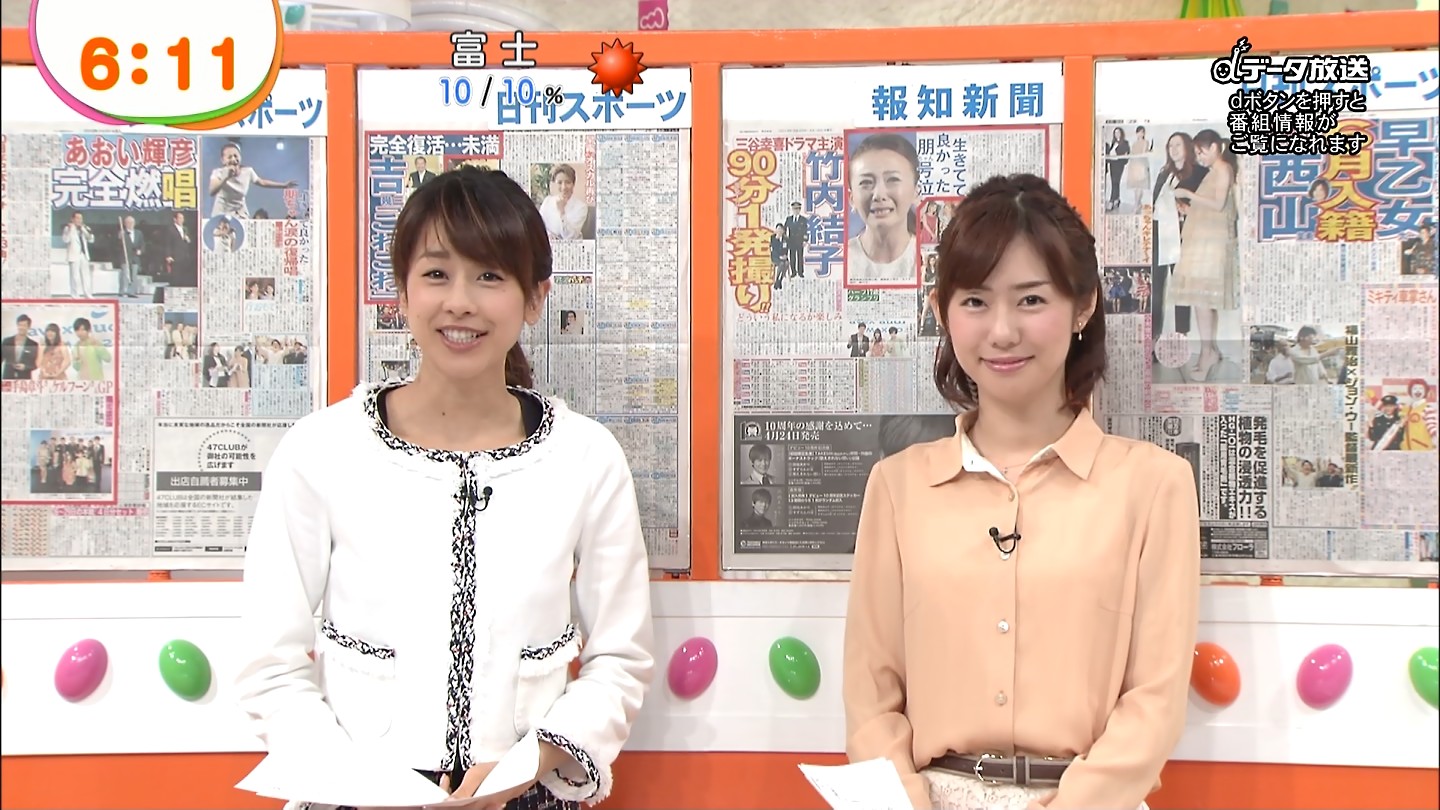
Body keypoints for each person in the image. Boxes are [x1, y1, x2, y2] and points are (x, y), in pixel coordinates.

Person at [233, 167, 654, 810]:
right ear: (402, 292)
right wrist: (356, 779)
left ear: (534, 297)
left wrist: (527, 763)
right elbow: (270, 663)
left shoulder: (585, 457)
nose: (460, 302)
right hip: (355, 793)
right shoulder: (322, 450)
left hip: (525, 791)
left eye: (489, 276)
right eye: (436, 273)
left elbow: (622, 658)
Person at [843, 173, 1201, 810]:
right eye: (975, 302)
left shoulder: (1153, 487)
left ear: (1083, 306)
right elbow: (871, 696)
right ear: (942, 312)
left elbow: (1155, 700)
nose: (1002, 331)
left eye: (1031, 300)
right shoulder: (898, 487)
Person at [2, 313, 39, 380]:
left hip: (24, 379)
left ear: (29, 327)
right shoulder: (7, 341)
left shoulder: (33, 344)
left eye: (24, 325)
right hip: (8, 377)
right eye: (20, 325)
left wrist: (25, 367)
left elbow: (35, 364)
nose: (21, 328)